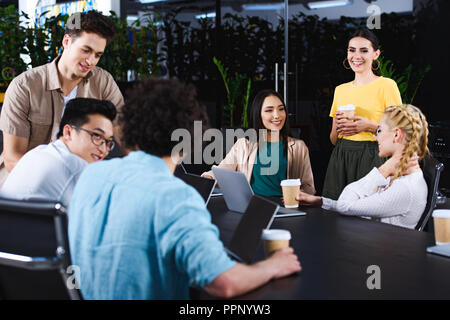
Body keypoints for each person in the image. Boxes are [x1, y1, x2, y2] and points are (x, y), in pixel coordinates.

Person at [68, 78, 301, 300]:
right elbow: (224, 283)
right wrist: (272, 265)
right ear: (187, 140)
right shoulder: (175, 197)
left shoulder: (91, 175)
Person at [0, 10, 124, 185]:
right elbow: (13, 158)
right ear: (67, 41)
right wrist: (60, 181)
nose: (90, 61)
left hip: (76, 184)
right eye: (86, 50)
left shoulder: (103, 82)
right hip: (24, 186)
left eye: (97, 55)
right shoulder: (24, 86)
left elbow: (124, 132)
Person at [297, 104, 428, 230]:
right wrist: (321, 202)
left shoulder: (404, 187)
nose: (376, 137)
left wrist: (383, 171)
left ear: (396, 134)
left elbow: (345, 205)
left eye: (379, 130)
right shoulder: (402, 175)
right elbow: (360, 207)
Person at [322, 28, 402, 200]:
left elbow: (399, 135)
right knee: (335, 212)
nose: (356, 56)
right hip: (341, 157)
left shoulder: (387, 86)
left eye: (364, 50)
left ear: (376, 54)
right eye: (352, 50)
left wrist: (369, 126)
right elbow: (334, 140)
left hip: (373, 156)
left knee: (367, 217)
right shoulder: (340, 90)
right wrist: (339, 126)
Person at [0, 98, 116, 207]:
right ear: (68, 132)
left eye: (108, 142)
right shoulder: (76, 168)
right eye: (96, 136)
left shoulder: (36, 153)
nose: (103, 150)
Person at [202, 89, 315, 196]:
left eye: (281, 109)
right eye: (269, 110)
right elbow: (222, 171)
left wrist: (295, 198)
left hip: (285, 207)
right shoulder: (243, 145)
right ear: (258, 114)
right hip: (253, 205)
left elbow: (308, 187)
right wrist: (205, 179)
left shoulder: (299, 147)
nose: (277, 115)